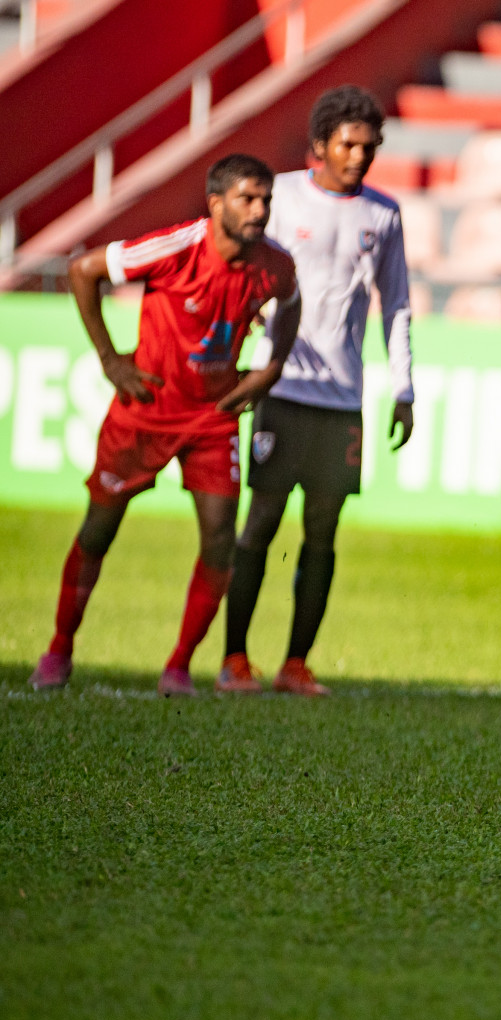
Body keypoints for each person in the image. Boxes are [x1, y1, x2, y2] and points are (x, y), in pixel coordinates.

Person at [29, 154, 300, 696]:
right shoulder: (178, 246)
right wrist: (110, 359)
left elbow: (290, 304)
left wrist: (270, 368)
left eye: (266, 199)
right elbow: (82, 270)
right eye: (248, 198)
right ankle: (59, 649)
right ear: (216, 203)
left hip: (212, 418)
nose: (260, 209)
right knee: (98, 531)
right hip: (145, 412)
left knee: (220, 537)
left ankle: (178, 667)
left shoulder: (275, 263)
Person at [216, 85, 415, 698]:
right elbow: (237, 268)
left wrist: (403, 386)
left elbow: (397, 306)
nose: (359, 157)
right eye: (349, 145)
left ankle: (295, 664)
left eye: (369, 147)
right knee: (261, 524)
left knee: (323, 533)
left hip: (343, 399)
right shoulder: (276, 197)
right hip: (282, 387)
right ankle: (235, 660)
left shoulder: (383, 215)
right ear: (320, 145)